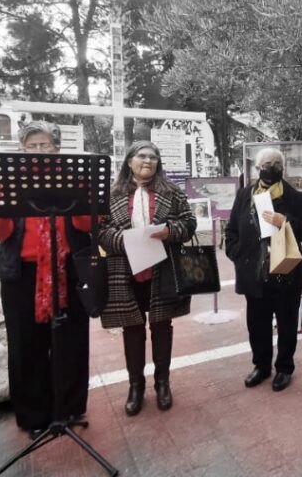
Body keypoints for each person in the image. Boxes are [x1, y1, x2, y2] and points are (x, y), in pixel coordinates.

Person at [0, 121, 92, 438]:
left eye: (45, 145)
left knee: (71, 341)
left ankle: (68, 409)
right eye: (32, 146)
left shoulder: (73, 179)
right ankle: (33, 415)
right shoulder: (9, 182)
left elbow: (89, 224)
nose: (39, 151)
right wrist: (3, 206)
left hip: (69, 270)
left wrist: (76, 200)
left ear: (57, 149)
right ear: (22, 150)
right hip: (21, 274)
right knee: (25, 344)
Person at [99, 141, 197, 416]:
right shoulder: (112, 193)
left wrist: (170, 231)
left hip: (161, 269)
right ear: (129, 161)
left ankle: (162, 383)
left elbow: (189, 223)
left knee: (162, 326)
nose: (147, 161)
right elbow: (100, 229)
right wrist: (125, 240)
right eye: (141, 156)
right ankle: (136, 386)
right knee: (132, 328)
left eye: (153, 157)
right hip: (124, 270)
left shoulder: (171, 191)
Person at [225, 148, 302, 391]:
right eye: (266, 164)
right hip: (253, 272)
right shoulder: (245, 194)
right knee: (257, 323)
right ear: (257, 168)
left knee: (286, 323)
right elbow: (232, 229)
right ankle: (261, 366)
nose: (271, 167)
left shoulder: (295, 197)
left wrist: (285, 221)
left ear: (282, 168)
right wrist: (236, 253)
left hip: (285, 270)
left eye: (276, 163)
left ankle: (284, 367)